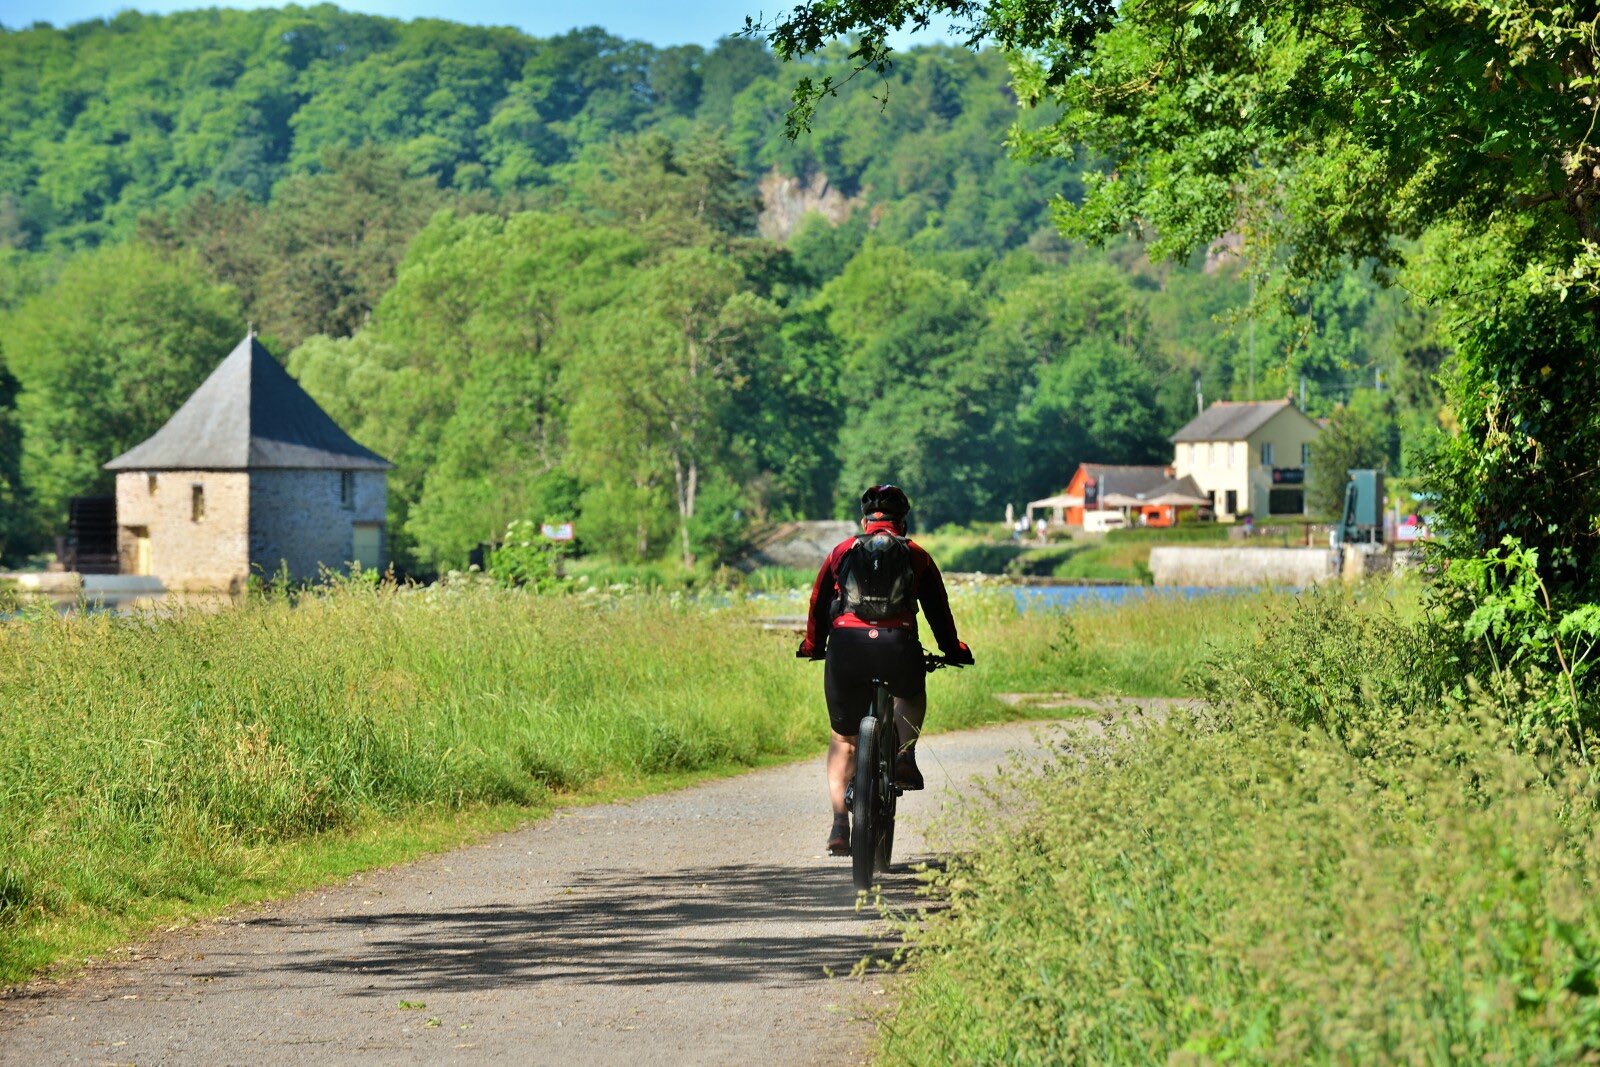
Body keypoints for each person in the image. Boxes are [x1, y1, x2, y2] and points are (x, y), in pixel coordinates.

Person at [796, 485, 973, 856]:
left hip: (846, 648)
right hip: (898, 645)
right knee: (910, 694)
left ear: (865, 521)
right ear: (903, 523)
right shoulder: (916, 554)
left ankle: (840, 825)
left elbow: (818, 602)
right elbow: (938, 609)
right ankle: (904, 757)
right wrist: (953, 650)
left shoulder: (843, 550)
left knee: (844, 740)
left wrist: (813, 646)